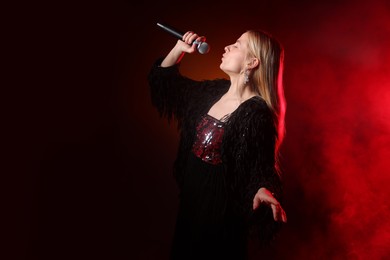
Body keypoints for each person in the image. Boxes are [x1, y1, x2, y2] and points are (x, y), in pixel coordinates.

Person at [147, 28, 287, 260]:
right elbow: (164, 84)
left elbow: (261, 167)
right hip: (191, 206)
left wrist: (262, 189)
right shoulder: (212, 92)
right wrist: (179, 49)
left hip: (218, 218)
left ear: (252, 62)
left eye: (238, 44)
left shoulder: (257, 113)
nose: (227, 47)